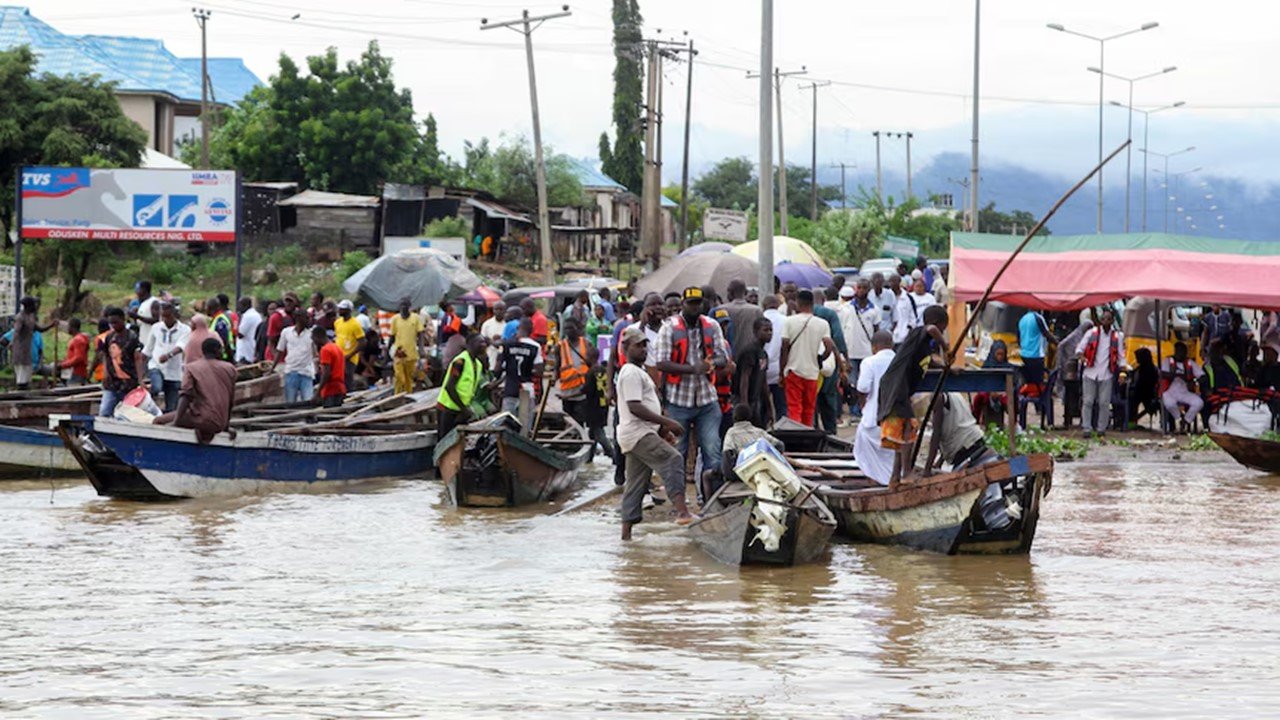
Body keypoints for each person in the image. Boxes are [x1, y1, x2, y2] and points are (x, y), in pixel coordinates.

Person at [617, 325, 693, 540]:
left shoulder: (637, 372)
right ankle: (682, 512)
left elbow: (646, 406)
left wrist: (661, 429)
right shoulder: (631, 372)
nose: (642, 349)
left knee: (635, 485)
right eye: (637, 346)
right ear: (625, 348)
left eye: (644, 345)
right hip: (638, 433)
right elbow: (636, 407)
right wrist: (667, 422)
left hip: (635, 434)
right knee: (673, 459)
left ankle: (626, 537)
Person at [654, 286, 730, 481]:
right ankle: (679, 501)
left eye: (698, 303)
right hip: (678, 400)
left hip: (707, 399)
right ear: (683, 305)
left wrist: (711, 363)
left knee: (712, 450)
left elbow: (724, 356)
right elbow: (661, 362)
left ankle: (710, 497)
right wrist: (692, 368)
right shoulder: (669, 327)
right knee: (678, 452)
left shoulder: (712, 325)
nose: (695, 308)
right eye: (691, 304)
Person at [877, 305, 951, 474]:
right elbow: (931, 329)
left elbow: (929, 361)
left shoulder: (922, 346)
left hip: (900, 389)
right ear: (936, 323)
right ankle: (906, 474)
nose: (941, 332)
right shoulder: (919, 332)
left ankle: (896, 478)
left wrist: (947, 367)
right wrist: (945, 346)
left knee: (905, 430)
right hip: (896, 387)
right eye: (943, 328)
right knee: (908, 431)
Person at [154, 337, 237, 444]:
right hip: (220, 422)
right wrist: (225, 425)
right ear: (218, 351)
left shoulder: (192, 368)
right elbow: (230, 401)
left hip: (202, 419)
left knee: (158, 421)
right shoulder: (230, 369)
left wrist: (176, 422)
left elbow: (186, 396)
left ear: (203, 351)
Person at [779, 289, 837, 427]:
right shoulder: (822, 323)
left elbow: (784, 348)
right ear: (812, 304)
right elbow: (829, 346)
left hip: (793, 371)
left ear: (798, 303)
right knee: (809, 409)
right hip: (812, 373)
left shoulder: (789, 321)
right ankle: (807, 436)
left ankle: (796, 436)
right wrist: (821, 359)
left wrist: (782, 372)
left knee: (794, 407)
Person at [855, 330, 897, 485]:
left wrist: (863, 405)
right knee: (892, 457)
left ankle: (874, 483)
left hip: (873, 420)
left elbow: (863, 388)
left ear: (873, 347)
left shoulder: (869, 362)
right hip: (896, 420)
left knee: (866, 457)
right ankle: (891, 482)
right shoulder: (899, 361)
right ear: (891, 344)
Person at [1079, 309, 1124, 438]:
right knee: (1088, 401)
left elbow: (1121, 357)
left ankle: (1101, 429)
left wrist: (1122, 373)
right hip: (1090, 372)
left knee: (1104, 403)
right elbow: (1079, 348)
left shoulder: (1117, 337)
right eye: (1104, 319)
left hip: (1106, 373)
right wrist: (1082, 357)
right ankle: (1086, 429)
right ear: (1100, 320)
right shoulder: (1091, 333)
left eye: (1109, 319)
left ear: (1112, 321)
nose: (1106, 322)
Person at [437, 334, 489, 439]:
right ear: (470, 345)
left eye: (484, 342)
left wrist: (465, 409)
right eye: (480, 342)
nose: (484, 345)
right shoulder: (460, 362)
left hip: (461, 409)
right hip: (448, 409)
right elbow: (449, 387)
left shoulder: (477, 364)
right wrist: (464, 409)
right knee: (444, 441)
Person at [96, 307, 145, 417]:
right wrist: (105, 373)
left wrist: (141, 380)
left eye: (116, 322)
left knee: (127, 414)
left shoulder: (132, 337)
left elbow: (138, 358)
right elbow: (105, 355)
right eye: (111, 323)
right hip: (112, 383)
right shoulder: (109, 337)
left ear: (123, 320)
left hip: (129, 383)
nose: (114, 325)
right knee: (105, 412)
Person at [142, 302, 190, 413]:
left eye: (168, 316)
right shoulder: (156, 328)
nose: (165, 319)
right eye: (163, 316)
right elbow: (147, 349)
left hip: (174, 371)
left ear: (175, 315)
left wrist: (169, 355)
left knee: (171, 407)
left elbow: (181, 346)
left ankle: (165, 422)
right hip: (157, 366)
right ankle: (148, 402)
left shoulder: (185, 330)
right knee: (157, 387)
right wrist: (141, 375)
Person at [843, 279, 880, 422]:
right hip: (851, 351)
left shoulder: (874, 310)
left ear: (868, 290)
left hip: (867, 352)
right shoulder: (846, 308)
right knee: (852, 383)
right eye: (859, 288)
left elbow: (876, 331)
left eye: (865, 288)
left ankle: (864, 409)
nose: (862, 291)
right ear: (855, 288)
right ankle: (854, 412)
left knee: (865, 383)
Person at [721, 403, 783, 481]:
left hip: (743, 471)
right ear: (750, 417)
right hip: (761, 468)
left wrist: (730, 476)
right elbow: (780, 445)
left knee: (707, 475)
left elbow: (727, 454)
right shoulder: (759, 431)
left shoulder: (731, 433)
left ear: (734, 417)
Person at [499, 318, 543, 426]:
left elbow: (497, 368)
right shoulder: (535, 347)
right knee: (525, 425)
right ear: (531, 330)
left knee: (506, 423)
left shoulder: (506, 345)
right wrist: (527, 370)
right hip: (527, 389)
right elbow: (539, 371)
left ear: (517, 328)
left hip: (510, 389)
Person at [732, 317, 773, 429]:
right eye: (765, 330)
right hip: (745, 399)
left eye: (771, 330)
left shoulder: (763, 353)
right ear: (755, 331)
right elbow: (745, 378)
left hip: (756, 399)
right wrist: (744, 405)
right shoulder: (749, 351)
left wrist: (769, 407)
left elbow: (763, 379)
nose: (769, 333)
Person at [8, 296, 54, 389]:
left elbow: (40, 329)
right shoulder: (20, 318)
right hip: (20, 352)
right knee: (22, 376)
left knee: (27, 376)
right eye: (34, 305)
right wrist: (12, 343)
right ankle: (21, 395)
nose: (36, 307)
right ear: (28, 306)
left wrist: (51, 325)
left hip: (27, 351)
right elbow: (16, 332)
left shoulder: (31, 316)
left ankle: (24, 393)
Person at [271, 309, 315, 405]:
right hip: (291, 371)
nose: (309, 320)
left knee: (308, 402)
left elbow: (316, 354)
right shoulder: (286, 332)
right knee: (290, 403)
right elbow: (279, 351)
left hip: (306, 372)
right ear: (299, 319)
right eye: (307, 318)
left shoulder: (311, 334)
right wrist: (272, 368)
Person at [1160, 342, 1204, 431]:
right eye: (1178, 350)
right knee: (1169, 404)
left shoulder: (1190, 362)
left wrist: (1193, 381)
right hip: (1169, 391)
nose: (1180, 353)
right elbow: (1163, 374)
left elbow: (1202, 376)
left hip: (1185, 391)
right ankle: (1178, 419)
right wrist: (1178, 375)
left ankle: (1186, 420)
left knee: (1199, 402)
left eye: (1183, 351)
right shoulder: (1168, 360)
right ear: (1175, 351)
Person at [972, 339, 1012, 426]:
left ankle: (1013, 424)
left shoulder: (1008, 367)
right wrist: (990, 392)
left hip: (1002, 393)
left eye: (1002, 354)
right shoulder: (987, 366)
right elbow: (982, 381)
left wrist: (1002, 392)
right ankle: (975, 422)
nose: (1000, 357)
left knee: (1011, 402)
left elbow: (1011, 384)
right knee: (978, 399)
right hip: (988, 392)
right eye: (998, 354)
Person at [390, 298, 425, 394]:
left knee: (409, 378)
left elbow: (421, 334)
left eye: (405, 305)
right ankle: (397, 396)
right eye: (402, 305)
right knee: (399, 377)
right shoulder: (395, 319)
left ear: (409, 307)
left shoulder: (416, 318)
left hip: (411, 354)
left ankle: (407, 396)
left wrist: (421, 348)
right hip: (399, 353)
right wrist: (388, 352)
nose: (403, 307)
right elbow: (392, 337)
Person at [1017, 308, 1057, 394]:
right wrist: (1058, 343)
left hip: (1024, 355)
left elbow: (1018, 337)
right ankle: (1040, 405)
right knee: (1038, 385)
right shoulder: (1038, 318)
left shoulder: (1022, 319)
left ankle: (1025, 403)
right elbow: (1046, 334)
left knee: (1029, 383)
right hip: (1036, 356)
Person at [762, 294, 788, 423]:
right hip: (780, 369)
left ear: (764, 305)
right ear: (778, 305)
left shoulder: (760, 319)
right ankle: (782, 434)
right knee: (781, 406)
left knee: (762, 406)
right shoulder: (786, 320)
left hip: (762, 370)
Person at [721, 279, 763, 354]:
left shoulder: (722, 310)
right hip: (749, 356)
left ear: (729, 292)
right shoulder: (756, 310)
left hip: (728, 355)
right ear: (746, 292)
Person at [333, 299, 364, 388]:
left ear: (348, 310)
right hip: (339, 356)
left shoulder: (355, 324)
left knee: (347, 379)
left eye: (342, 309)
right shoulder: (337, 322)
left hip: (349, 358)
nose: (339, 310)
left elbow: (362, 342)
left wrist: (350, 355)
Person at [314, 326, 346, 408]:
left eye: (313, 338)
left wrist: (318, 392)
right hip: (340, 388)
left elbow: (326, 374)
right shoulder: (336, 347)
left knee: (329, 416)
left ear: (318, 337)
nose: (313, 341)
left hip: (330, 390)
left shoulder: (325, 350)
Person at [265, 293, 297, 363]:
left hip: (291, 356)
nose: (288, 304)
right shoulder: (276, 317)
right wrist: (276, 358)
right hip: (276, 355)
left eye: (291, 302)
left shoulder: (299, 316)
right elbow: (271, 341)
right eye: (286, 301)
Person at [128, 280, 160, 348]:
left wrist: (138, 316)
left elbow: (156, 320)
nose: (136, 292)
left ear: (144, 289)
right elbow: (140, 324)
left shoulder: (153, 302)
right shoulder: (142, 303)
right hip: (144, 341)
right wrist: (134, 316)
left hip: (153, 343)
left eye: (138, 289)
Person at [60, 318, 90, 385]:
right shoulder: (78, 338)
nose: (67, 328)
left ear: (72, 327)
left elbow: (78, 358)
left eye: (68, 326)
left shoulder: (78, 340)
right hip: (74, 372)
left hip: (76, 372)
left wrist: (63, 365)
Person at [480, 301, 507, 371]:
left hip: (505, 358)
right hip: (490, 356)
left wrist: (501, 339)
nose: (498, 312)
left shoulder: (508, 324)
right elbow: (482, 339)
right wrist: (492, 341)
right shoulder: (487, 324)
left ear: (505, 310)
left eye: (501, 309)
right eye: (496, 309)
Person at [207, 297, 235, 361]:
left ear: (210, 308)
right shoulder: (216, 319)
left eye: (206, 307)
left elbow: (224, 340)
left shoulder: (220, 321)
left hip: (223, 356)